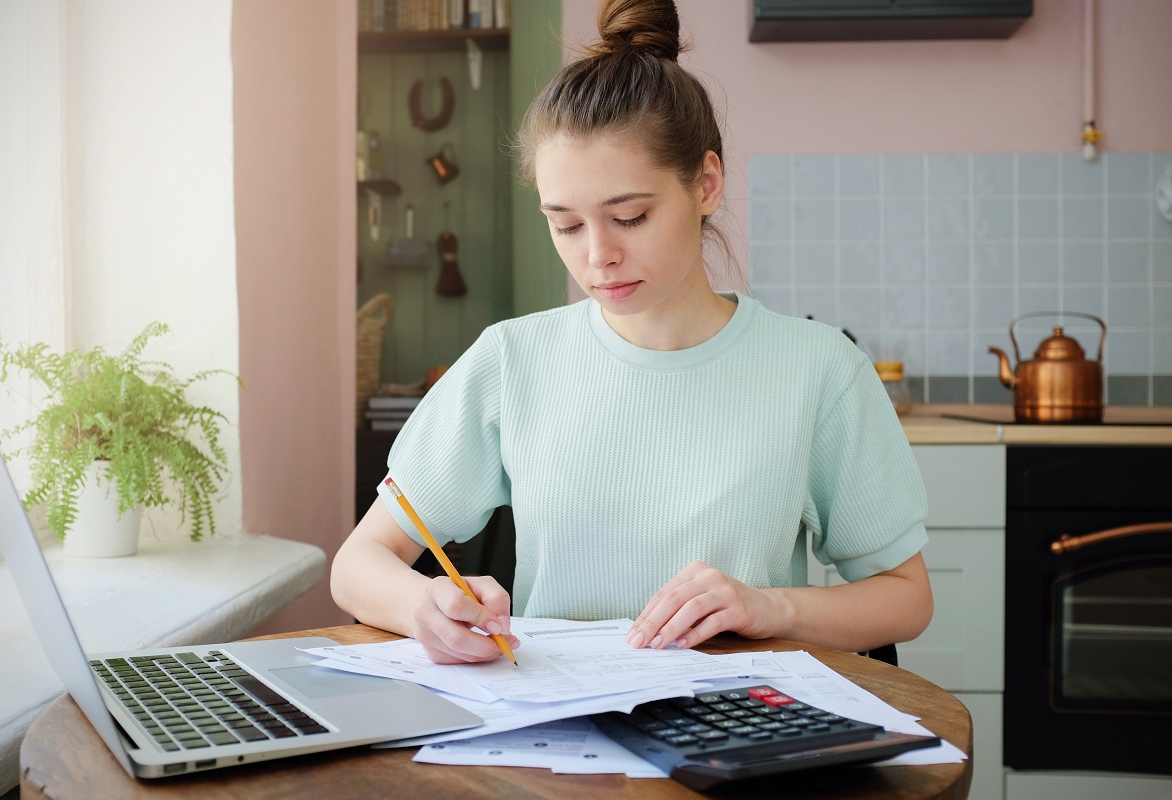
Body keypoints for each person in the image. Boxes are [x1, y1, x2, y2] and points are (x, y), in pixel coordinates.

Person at [332, 0, 933, 666]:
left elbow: (905, 598)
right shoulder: (513, 362)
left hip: (740, 737)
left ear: (705, 184)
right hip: (558, 739)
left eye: (630, 216)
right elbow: (358, 564)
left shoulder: (818, 370)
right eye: (565, 225)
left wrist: (770, 607)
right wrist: (425, 608)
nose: (597, 256)